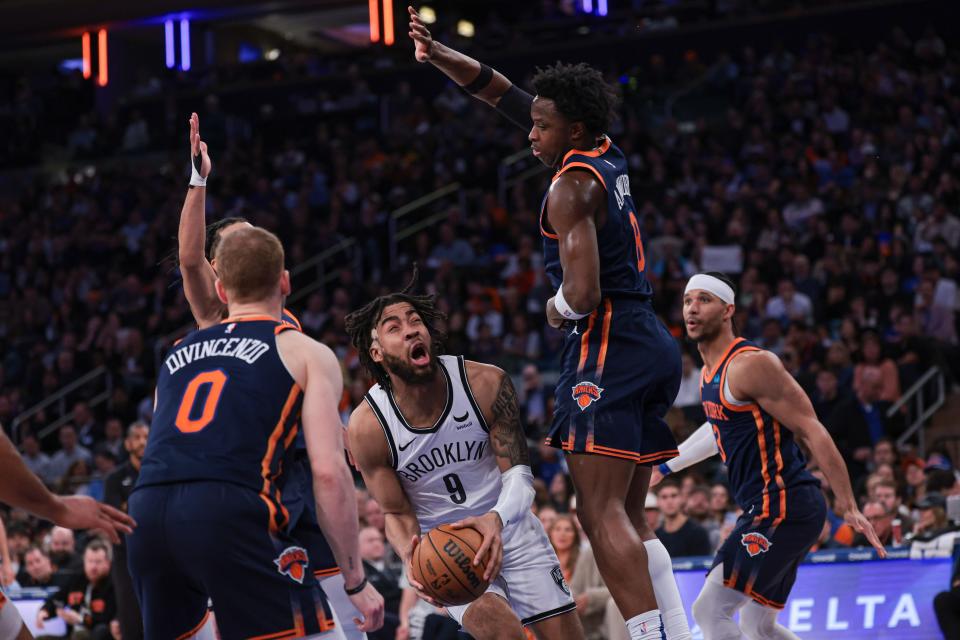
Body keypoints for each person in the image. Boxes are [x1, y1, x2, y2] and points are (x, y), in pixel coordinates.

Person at [408, 9, 688, 640]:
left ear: (574, 128)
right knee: (630, 513)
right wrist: (441, 54)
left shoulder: (568, 191)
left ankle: (650, 635)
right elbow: (505, 94)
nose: (529, 133)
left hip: (607, 344)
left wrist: (553, 309)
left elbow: (583, 295)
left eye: (542, 125)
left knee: (596, 509)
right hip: (648, 340)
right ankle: (676, 629)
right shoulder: (603, 151)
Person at [127, 226, 383, 639]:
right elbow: (330, 473)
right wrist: (356, 580)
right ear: (285, 280)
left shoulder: (176, 353)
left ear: (222, 291)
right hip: (227, 507)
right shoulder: (304, 349)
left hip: (145, 511)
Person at [176, 113, 362, 638]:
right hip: (257, 493)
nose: (246, 246)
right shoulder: (218, 320)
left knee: (351, 618)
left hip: (303, 478)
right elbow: (189, 261)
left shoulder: (292, 328)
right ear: (220, 277)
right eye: (232, 247)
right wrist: (197, 180)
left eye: (251, 239)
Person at [655, 272, 884, 640]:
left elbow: (812, 428)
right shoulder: (707, 373)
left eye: (704, 299)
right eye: (687, 300)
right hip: (778, 506)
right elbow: (719, 429)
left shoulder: (752, 364)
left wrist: (849, 503)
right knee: (758, 625)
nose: (692, 309)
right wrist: (665, 466)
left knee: (710, 611)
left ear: (728, 309)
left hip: (781, 503)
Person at [345, 287, 584, 640]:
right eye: (394, 327)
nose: (411, 329)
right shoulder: (368, 426)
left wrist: (496, 519)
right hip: (448, 551)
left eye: (416, 321)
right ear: (376, 352)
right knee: (503, 634)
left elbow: (519, 475)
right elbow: (395, 512)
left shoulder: (485, 382)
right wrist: (412, 559)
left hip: (511, 527)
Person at [0, 428, 133, 640]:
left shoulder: (107, 582)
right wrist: (55, 507)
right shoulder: (78, 579)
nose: (94, 567)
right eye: (92, 561)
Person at [103, 421, 149, 640]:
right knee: (131, 619)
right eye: (137, 437)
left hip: (159, 552)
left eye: (146, 437)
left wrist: (130, 508)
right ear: (128, 443)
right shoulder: (114, 478)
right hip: (126, 557)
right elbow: (115, 518)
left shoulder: (161, 472)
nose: (142, 442)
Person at [37, 539, 116, 640]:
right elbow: (57, 599)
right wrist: (45, 611)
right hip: (73, 634)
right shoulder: (76, 580)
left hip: (99, 634)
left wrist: (81, 619)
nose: (93, 567)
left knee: (99, 631)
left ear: (108, 564)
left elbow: (107, 620)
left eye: (98, 562)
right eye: (90, 561)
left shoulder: (114, 585)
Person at [654, 479, 711, 558]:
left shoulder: (698, 532)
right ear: (657, 502)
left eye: (674, 496)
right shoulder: (656, 536)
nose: (669, 501)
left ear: (682, 499)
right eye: (664, 497)